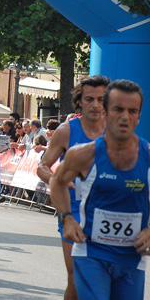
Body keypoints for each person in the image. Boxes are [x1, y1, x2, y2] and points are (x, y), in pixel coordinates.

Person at [51, 79, 150, 300]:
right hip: (91, 252)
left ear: (139, 116)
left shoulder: (148, 155)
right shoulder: (83, 154)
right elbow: (56, 182)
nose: (125, 116)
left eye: (132, 110)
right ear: (106, 111)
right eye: (118, 109)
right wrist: (66, 217)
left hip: (132, 257)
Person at [37, 75, 109, 300]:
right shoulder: (67, 131)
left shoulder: (119, 128)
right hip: (73, 212)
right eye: (89, 99)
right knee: (76, 280)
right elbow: (42, 166)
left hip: (108, 214)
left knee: (107, 280)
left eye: (101, 99)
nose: (96, 105)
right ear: (80, 101)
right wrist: (55, 179)